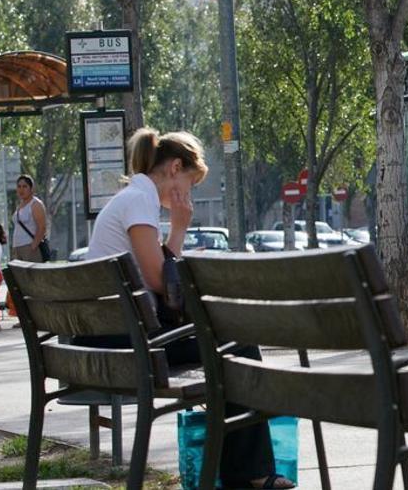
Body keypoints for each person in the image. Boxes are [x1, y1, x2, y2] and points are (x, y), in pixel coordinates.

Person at [84, 127, 293, 489]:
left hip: (113, 335)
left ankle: (244, 471)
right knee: (237, 343)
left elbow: (158, 281)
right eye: (191, 183)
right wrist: (179, 227)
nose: (189, 194)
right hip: (125, 343)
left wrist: (175, 234)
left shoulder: (134, 197)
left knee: (228, 344)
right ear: (174, 167)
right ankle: (250, 473)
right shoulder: (139, 200)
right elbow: (159, 281)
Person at [12, 175, 48, 263]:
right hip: (17, 247)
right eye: (19, 186)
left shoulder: (35, 204)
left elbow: (42, 227)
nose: (21, 190)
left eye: (25, 186)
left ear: (31, 188)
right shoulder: (19, 205)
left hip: (29, 246)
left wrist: (33, 246)